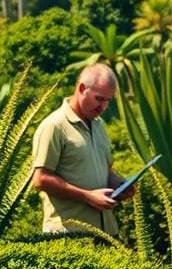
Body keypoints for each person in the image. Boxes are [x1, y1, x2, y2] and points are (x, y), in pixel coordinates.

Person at [31, 64, 134, 235]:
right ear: (81, 89)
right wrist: (87, 196)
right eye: (99, 99)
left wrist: (121, 186)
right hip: (69, 234)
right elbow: (41, 179)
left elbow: (105, 171)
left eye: (109, 100)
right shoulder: (54, 126)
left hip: (106, 231)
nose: (104, 107)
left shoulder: (99, 125)